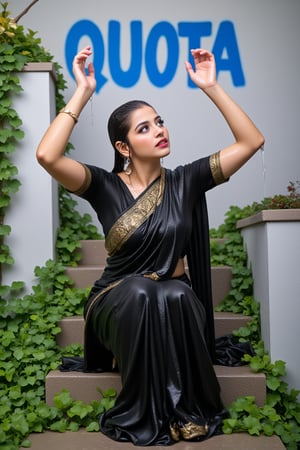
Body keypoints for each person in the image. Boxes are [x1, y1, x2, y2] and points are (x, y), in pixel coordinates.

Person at [36, 46, 264, 446]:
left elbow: (251, 141)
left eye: (159, 122)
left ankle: (187, 410)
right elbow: (47, 155)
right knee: (144, 289)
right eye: (144, 128)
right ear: (123, 147)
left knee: (176, 293)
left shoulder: (186, 180)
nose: (159, 130)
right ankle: (143, 409)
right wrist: (83, 90)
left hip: (164, 295)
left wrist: (211, 87)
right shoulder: (104, 187)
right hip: (114, 298)